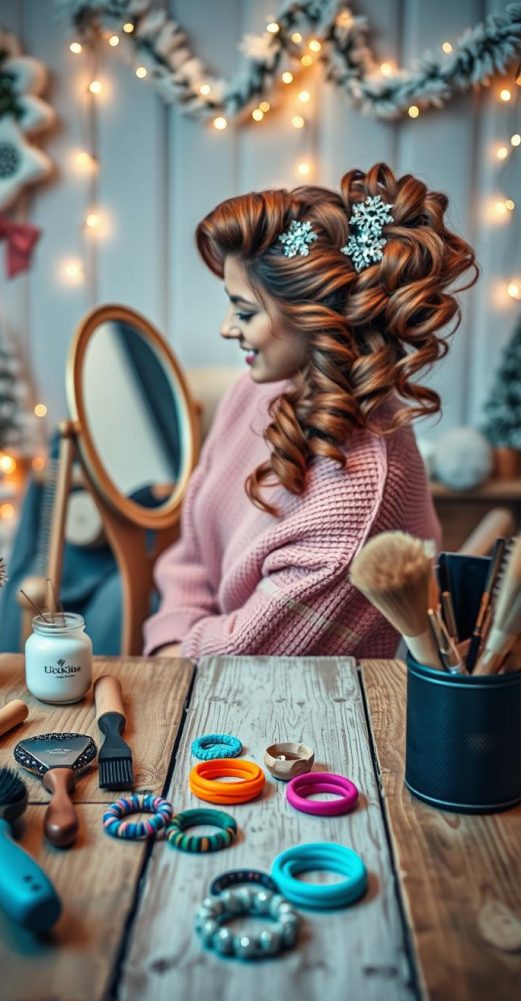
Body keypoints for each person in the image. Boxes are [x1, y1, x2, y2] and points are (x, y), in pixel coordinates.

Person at [143, 163, 478, 661]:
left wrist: (170, 656)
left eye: (245, 312)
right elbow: (193, 549)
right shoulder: (256, 390)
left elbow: (241, 660)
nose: (226, 329)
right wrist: (172, 630)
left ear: (313, 318)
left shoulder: (355, 503)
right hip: (188, 650)